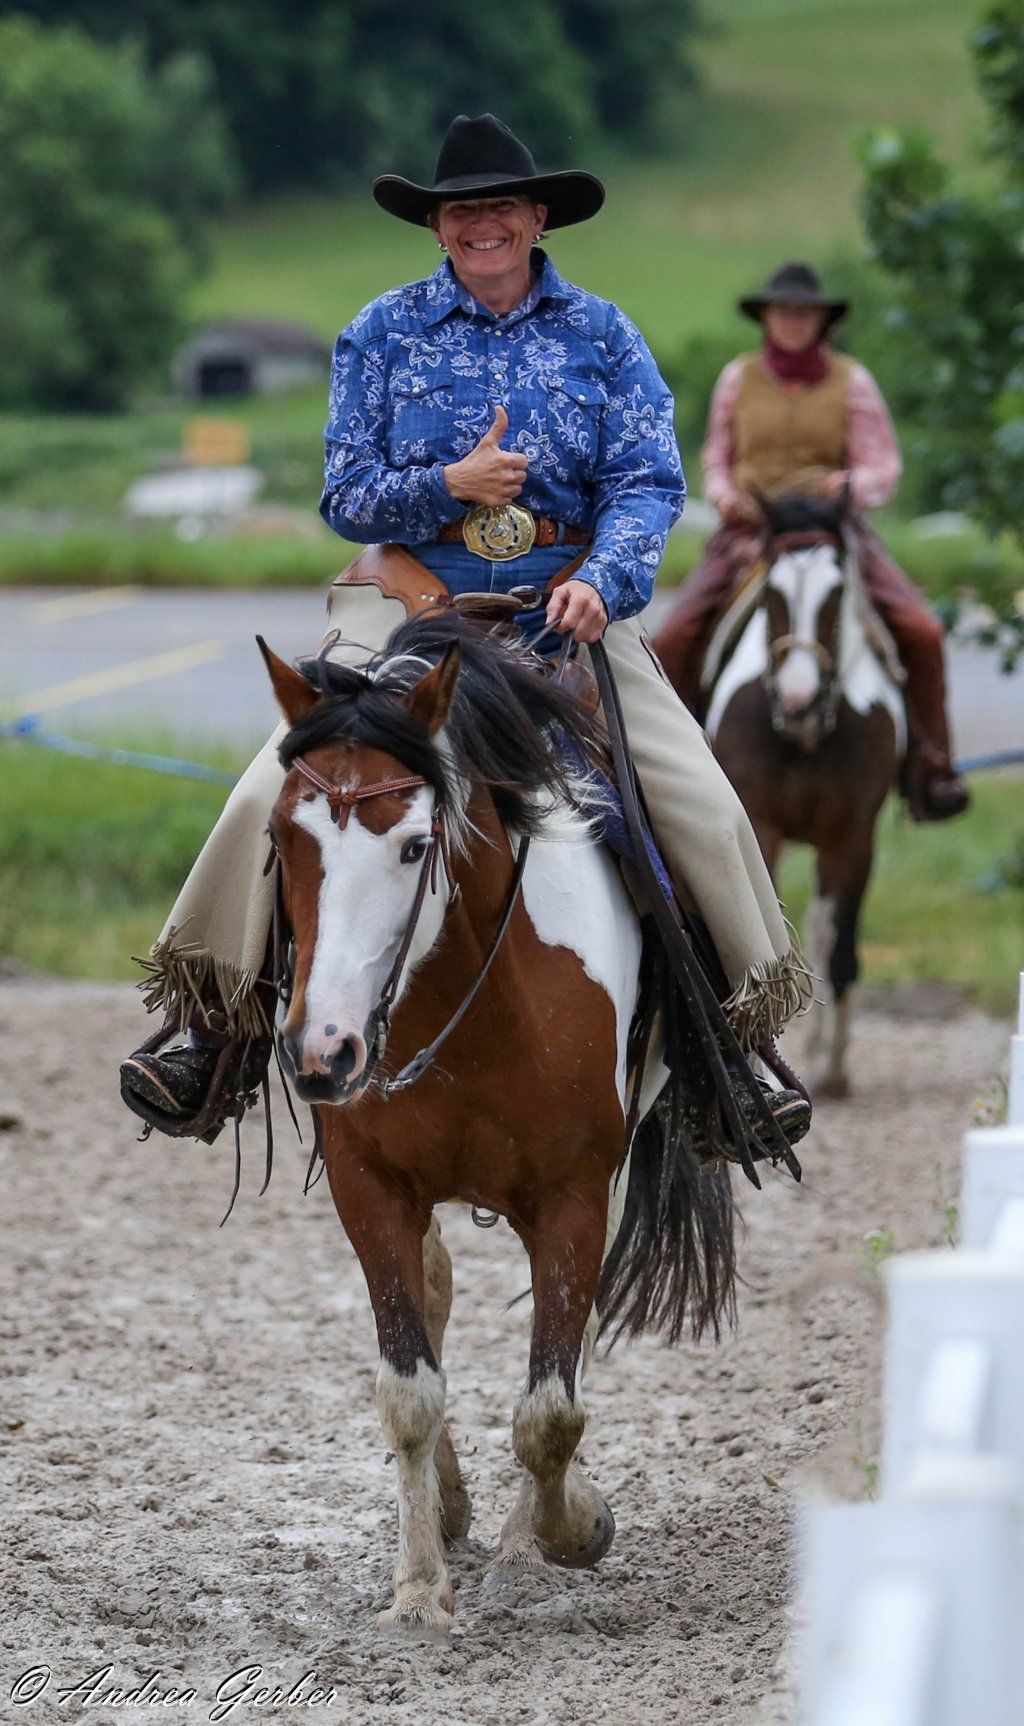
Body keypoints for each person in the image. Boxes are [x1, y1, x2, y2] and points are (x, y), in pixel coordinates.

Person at [120, 115, 811, 1144]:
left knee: (702, 808)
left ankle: (734, 1054)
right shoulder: (380, 332)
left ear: (537, 218)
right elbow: (346, 495)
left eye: (502, 207)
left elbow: (647, 483)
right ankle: (210, 1032)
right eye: (461, 211)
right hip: (407, 603)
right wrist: (450, 483)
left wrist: (605, 580)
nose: (482, 224)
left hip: (566, 605)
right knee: (272, 788)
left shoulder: (605, 334)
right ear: (436, 228)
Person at [653, 262, 969, 821]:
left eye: (805, 313)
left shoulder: (853, 380)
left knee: (920, 629)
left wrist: (851, 486)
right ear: (767, 318)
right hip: (752, 530)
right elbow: (717, 457)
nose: (793, 321)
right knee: (673, 634)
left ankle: (931, 764)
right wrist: (725, 496)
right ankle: (666, 770)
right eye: (784, 312)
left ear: (823, 320)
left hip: (832, 527)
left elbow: (882, 465)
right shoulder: (737, 378)